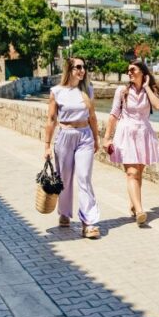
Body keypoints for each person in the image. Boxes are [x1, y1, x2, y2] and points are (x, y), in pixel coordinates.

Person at [102, 59, 159, 226]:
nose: (129, 72)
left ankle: (134, 203)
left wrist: (146, 87)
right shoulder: (121, 91)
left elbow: (158, 106)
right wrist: (107, 137)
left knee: (139, 173)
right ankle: (139, 210)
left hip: (144, 134)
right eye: (128, 70)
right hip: (126, 134)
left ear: (142, 73)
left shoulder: (149, 90)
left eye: (133, 70)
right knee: (131, 172)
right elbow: (114, 114)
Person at [44, 57, 101, 239]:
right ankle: (64, 212)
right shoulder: (57, 92)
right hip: (65, 136)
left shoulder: (88, 90)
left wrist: (96, 138)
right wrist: (46, 146)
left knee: (84, 177)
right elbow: (51, 120)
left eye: (84, 67)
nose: (82, 70)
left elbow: (92, 117)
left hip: (85, 136)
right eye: (78, 67)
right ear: (69, 69)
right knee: (65, 179)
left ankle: (89, 222)